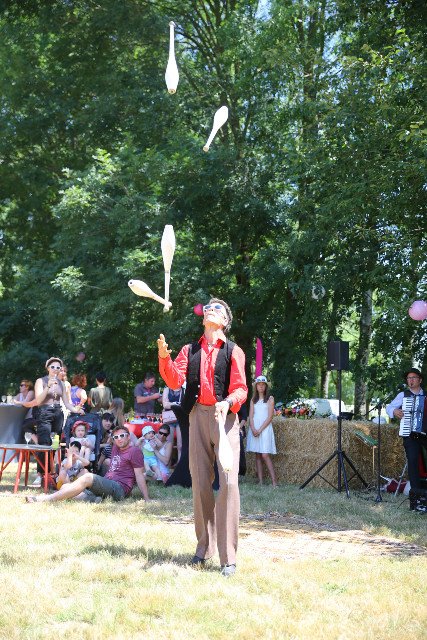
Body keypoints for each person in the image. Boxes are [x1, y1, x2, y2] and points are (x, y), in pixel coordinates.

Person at [158, 297, 247, 577]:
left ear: (225, 321)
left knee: (229, 483)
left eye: (217, 308)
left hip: (225, 418)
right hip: (197, 416)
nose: (210, 309)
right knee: (199, 483)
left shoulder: (234, 351)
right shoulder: (190, 349)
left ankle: (228, 557)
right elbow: (174, 380)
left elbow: (241, 389)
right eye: (208, 307)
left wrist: (228, 402)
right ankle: (204, 547)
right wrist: (164, 357)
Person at [26, 426, 150, 503]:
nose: (119, 439)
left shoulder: (134, 451)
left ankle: (45, 499)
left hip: (119, 488)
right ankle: (94, 500)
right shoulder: (115, 448)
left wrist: (146, 498)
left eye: (122, 436)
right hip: (107, 484)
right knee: (66, 488)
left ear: (128, 437)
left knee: (88, 476)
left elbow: (139, 475)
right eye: (116, 437)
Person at [20, 357, 84, 487]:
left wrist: (76, 409)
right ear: (48, 368)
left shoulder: (61, 383)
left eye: (58, 367)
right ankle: (40, 474)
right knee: (44, 443)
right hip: (44, 412)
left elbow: (66, 403)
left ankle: (49, 473)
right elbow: (38, 400)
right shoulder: (40, 381)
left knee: (54, 445)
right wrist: (48, 386)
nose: (55, 369)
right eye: (53, 367)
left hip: (58, 413)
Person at [386, 368, 427, 512]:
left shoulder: (426, 396)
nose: (411, 380)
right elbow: (389, 407)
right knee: (413, 461)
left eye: (414, 377)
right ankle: (416, 498)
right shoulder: (403, 395)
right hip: (410, 435)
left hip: (425, 435)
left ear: (420, 380)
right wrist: (394, 411)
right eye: (409, 378)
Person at [246, 375, 277, 487]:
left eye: (263, 384)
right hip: (255, 428)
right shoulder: (253, 400)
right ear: (256, 386)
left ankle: (274, 482)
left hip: (265, 428)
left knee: (264, 454)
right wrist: (253, 428)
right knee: (258, 454)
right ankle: (260, 481)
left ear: (266, 386)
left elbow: (270, 417)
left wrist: (259, 430)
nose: (261, 386)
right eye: (259, 384)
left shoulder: (270, 399)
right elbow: (251, 416)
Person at [162, 385, 184, 461]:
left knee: (180, 445)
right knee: (169, 444)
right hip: (169, 418)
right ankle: (168, 465)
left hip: (181, 419)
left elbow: (186, 404)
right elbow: (165, 405)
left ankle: (180, 464)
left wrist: (171, 404)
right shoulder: (167, 389)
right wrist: (177, 404)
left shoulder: (183, 389)